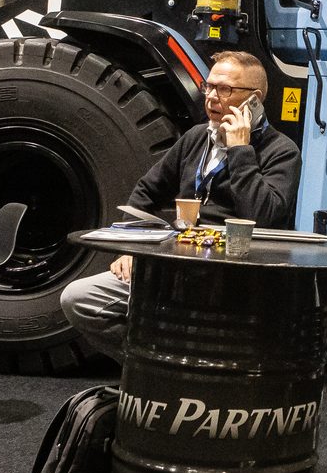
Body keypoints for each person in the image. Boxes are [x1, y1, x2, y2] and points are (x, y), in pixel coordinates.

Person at [58, 51, 299, 363]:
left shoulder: (281, 151)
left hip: (230, 278)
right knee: (78, 299)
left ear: (254, 99)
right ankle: (153, 367)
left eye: (224, 89)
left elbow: (262, 213)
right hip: (174, 265)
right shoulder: (197, 137)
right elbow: (146, 191)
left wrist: (241, 150)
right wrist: (130, 250)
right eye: (208, 87)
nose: (212, 97)